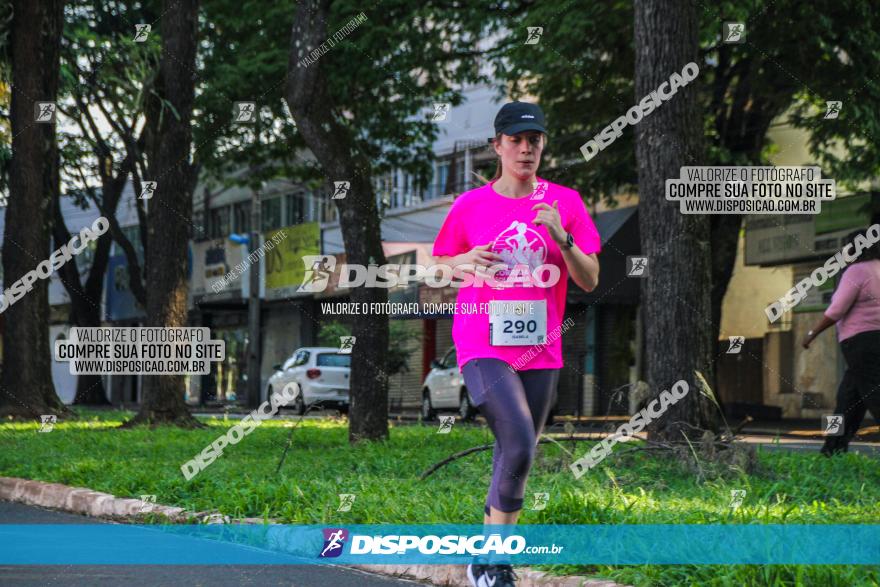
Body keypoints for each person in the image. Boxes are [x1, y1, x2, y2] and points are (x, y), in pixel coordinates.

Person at [432, 101, 601, 587]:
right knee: (521, 442)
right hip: (481, 340)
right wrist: (463, 259)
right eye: (515, 140)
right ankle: (499, 565)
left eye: (535, 141)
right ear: (497, 146)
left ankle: (484, 562)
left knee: (514, 451)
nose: (526, 149)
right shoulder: (470, 205)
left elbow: (589, 280)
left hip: (540, 346)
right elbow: (439, 268)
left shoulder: (565, 202)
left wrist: (561, 237)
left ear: (543, 145)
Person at [801, 226, 880, 455]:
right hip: (873, 342)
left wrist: (811, 333)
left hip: (860, 343)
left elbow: (836, 310)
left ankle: (833, 447)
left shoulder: (856, 271)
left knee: (874, 395)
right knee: (847, 399)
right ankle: (832, 448)